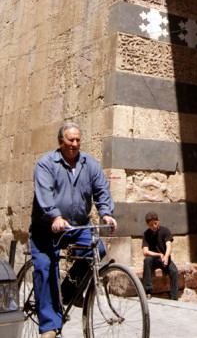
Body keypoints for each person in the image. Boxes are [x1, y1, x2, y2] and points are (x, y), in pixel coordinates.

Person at [30, 122, 116, 338]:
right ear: (61, 142)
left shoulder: (90, 164)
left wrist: (106, 213)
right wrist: (55, 216)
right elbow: (45, 194)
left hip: (77, 225)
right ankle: (49, 325)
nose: (75, 144)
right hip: (47, 228)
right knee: (45, 268)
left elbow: (101, 190)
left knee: (98, 251)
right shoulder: (46, 164)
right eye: (71, 140)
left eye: (78, 140)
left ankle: (69, 290)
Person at [142, 211, 179, 300]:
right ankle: (148, 291)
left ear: (158, 220)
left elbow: (169, 245)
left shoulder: (165, 231)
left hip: (165, 258)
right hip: (154, 258)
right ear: (148, 225)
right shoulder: (146, 234)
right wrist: (158, 254)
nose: (154, 226)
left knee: (174, 271)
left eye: (155, 223)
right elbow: (145, 251)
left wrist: (166, 257)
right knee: (147, 260)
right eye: (151, 225)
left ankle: (174, 298)